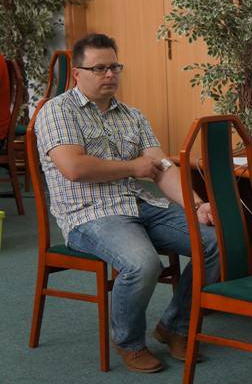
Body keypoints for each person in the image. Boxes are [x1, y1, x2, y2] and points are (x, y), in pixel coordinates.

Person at [35, 33, 220, 373]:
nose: (109, 75)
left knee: (215, 241)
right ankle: (129, 342)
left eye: (114, 67)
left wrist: (197, 206)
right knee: (143, 264)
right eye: (99, 68)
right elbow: (74, 168)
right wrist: (134, 167)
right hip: (89, 215)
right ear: (77, 73)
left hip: (140, 206)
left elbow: (162, 167)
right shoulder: (57, 111)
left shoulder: (132, 115)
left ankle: (175, 326)